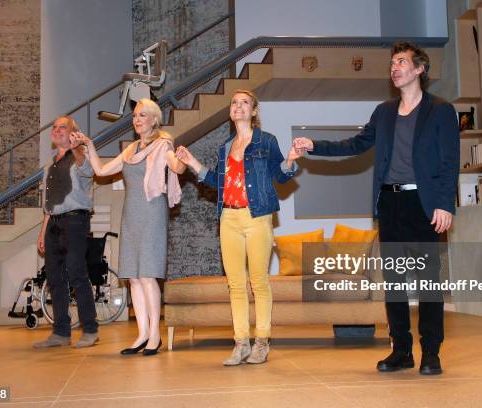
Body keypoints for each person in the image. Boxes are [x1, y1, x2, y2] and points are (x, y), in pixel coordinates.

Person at [294, 41, 460, 375]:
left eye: (401, 62)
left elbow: (449, 160)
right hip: (390, 203)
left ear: (419, 69)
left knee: (428, 282)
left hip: (423, 205)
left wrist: (445, 204)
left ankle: (431, 352)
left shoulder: (440, 110)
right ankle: (401, 350)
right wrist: (314, 145)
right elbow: (356, 144)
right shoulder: (383, 112)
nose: (394, 68)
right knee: (395, 283)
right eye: (392, 64)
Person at [176, 89, 301, 365]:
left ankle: (261, 342)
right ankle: (241, 343)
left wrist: (290, 158)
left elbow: (281, 175)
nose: (239, 106)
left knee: (259, 281)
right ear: (231, 111)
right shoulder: (225, 146)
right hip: (228, 218)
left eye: (245, 102)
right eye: (234, 103)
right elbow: (217, 181)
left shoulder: (266, 141)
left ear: (253, 111)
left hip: (257, 216)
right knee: (235, 284)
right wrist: (191, 163)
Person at [70, 98, 186, 356]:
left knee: (147, 275)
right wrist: (88, 144)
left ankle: (155, 335)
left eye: (142, 115)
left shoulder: (162, 145)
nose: (137, 119)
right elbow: (100, 171)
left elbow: (175, 165)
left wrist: (180, 162)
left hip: (152, 212)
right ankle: (142, 334)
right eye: (135, 115)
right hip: (131, 214)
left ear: (154, 119)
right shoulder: (131, 149)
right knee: (133, 277)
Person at [33, 115, 99, 349]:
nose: (57, 130)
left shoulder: (81, 155)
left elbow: (88, 171)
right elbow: (49, 203)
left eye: (63, 127)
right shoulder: (50, 165)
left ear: (73, 132)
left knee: (77, 274)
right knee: (55, 278)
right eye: (55, 127)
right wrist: (42, 233)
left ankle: (90, 329)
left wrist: (78, 148)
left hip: (75, 221)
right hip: (53, 223)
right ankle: (60, 332)